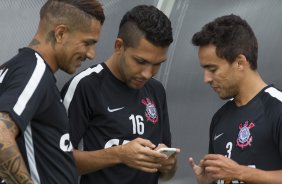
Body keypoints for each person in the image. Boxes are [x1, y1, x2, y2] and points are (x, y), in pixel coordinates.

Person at [61, 5, 180, 184]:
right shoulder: (85, 86)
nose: (147, 73)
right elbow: (57, 160)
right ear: (119, 46)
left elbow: (165, 174)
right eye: (141, 61)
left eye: (158, 64)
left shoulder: (156, 91)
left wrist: (169, 166)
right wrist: (119, 154)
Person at [0, 0, 104, 183]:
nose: (91, 54)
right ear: (60, 33)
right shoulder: (34, 71)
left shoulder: (18, 68)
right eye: (87, 43)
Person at [188, 14, 282, 184]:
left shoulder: (277, 108)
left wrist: (240, 172)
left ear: (240, 62)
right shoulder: (219, 118)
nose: (206, 78)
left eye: (212, 69)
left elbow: (237, 173)